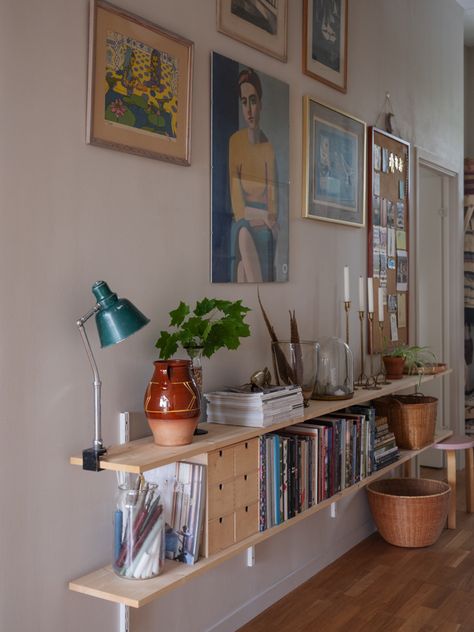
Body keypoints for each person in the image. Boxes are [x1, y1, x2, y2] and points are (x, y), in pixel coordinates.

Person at [228, 68, 278, 282]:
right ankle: (262, 301)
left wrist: (266, 217)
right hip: (244, 222)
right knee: (243, 234)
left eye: (253, 100)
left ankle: (254, 304)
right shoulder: (235, 142)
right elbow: (237, 204)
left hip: (265, 225)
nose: (249, 109)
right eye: (243, 102)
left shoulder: (268, 148)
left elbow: (273, 204)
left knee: (242, 272)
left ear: (261, 103)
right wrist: (259, 216)